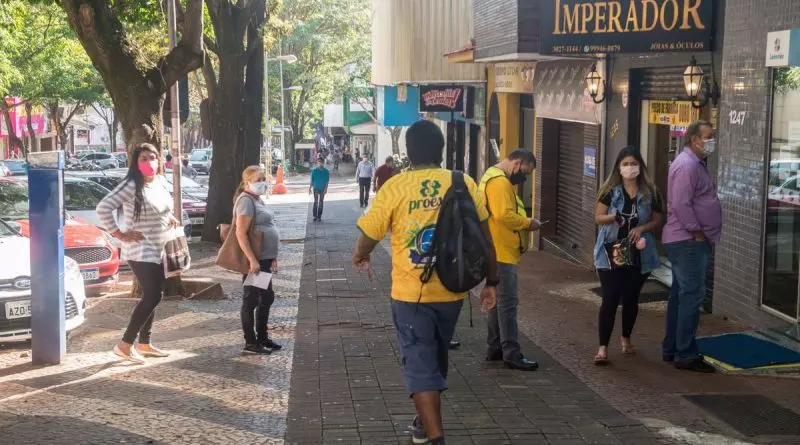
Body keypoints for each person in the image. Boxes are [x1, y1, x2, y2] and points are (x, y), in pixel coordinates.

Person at [353, 120, 498, 445]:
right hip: (452, 289)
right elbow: (485, 237)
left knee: (420, 362)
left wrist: (360, 255)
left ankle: (436, 437)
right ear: (441, 150)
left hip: (411, 294)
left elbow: (369, 234)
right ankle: (423, 423)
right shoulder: (462, 181)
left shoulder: (396, 186)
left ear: (408, 153)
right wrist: (492, 281)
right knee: (436, 356)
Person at [97, 143, 180, 364]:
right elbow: (103, 208)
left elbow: (162, 208)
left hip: (159, 247)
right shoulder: (131, 185)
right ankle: (125, 344)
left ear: (159, 160)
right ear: (135, 163)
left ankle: (145, 343)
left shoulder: (160, 182)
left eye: (152, 157)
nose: (149, 162)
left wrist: (169, 217)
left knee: (152, 295)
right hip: (140, 250)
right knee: (153, 295)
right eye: (143, 158)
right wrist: (119, 234)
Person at [593, 146, 664, 364]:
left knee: (631, 297)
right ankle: (603, 348)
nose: (630, 168)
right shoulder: (610, 191)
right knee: (610, 298)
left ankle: (626, 338)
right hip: (612, 250)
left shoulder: (650, 192)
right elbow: (598, 216)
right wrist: (612, 217)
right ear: (619, 167)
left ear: (640, 166)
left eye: (634, 163)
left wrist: (642, 228)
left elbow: (658, 219)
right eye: (625, 164)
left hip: (638, 251)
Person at [662, 120, 721, 373]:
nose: (712, 141)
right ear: (694, 139)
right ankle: (685, 353)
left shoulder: (694, 163)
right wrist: (696, 232)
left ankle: (673, 347)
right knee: (691, 296)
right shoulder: (687, 165)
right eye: (708, 136)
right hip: (688, 242)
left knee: (680, 295)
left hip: (687, 241)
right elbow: (680, 204)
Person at [479, 148, 540, 371]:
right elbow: (503, 214)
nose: (524, 178)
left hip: (497, 250)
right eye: (525, 172)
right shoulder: (500, 182)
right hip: (501, 251)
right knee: (507, 304)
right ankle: (511, 353)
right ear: (517, 163)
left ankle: (495, 347)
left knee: (498, 302)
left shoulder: (492, 176)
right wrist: (528, 223)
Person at [232, 165, 282, 355]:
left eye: (263, 179)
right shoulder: (245, 200)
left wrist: (272, 256)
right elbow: (241, 232)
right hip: (256, 260)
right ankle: (251, 343)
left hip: (264, 258)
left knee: (266, 297)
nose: (262, 183)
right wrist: (252, 260)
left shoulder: (257, 199)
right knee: (251, 300)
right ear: (247, 182)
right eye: (258, 180)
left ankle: (262, 337)